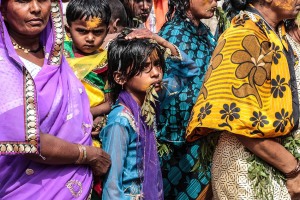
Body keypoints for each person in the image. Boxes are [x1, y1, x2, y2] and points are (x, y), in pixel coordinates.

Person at [186, 0, 300, 198]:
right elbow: (236, 118)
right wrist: (292, 169)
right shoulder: (242, 35)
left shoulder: (280, 36)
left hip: (280, 163)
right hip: (245, 170)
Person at [0, 0, 111, 199]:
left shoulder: (54, 53)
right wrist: (88, 155)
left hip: (79, 182)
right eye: (22, 1)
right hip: (25, 188)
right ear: (3, 9)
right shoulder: (4, 65)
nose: (35, 8)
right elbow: (28, 141)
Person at [100, 28, 198, 199]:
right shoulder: (120, 121)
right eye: (145, 67)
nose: (156, 73)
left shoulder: (152, 100)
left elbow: (190, 70)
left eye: (157, 64)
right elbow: (112, 186)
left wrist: (160, 41)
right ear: (120, 77)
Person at [156, 0, 217, 199]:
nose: (214, 2)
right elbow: (167, 93)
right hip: (177, 145)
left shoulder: (206, 34)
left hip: (203, 139)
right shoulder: (173, 34)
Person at [64, 0, 112, 139]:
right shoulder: (58, 56)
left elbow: (110, 102)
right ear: (68, 30)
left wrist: (88, 114)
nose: (90, 38)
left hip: (93, 125)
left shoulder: (107, 61)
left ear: (107, 31)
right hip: (61, 124)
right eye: (82, 31)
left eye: (97, 32)